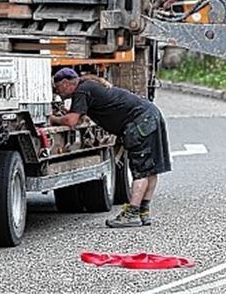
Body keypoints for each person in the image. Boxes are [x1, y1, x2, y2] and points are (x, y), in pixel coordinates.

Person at [49, 68, 171, 228]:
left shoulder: (81, 91)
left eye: (58, 89)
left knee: (141, 169)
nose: (59, 93)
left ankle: (132, 213)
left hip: (140, 121)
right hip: (150, 114)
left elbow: (72, 121)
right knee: (151, 169)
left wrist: (53, 119)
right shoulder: (89, 86)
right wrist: (67, 114)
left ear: (65, 83)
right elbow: (79, 117)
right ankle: (143, 211)